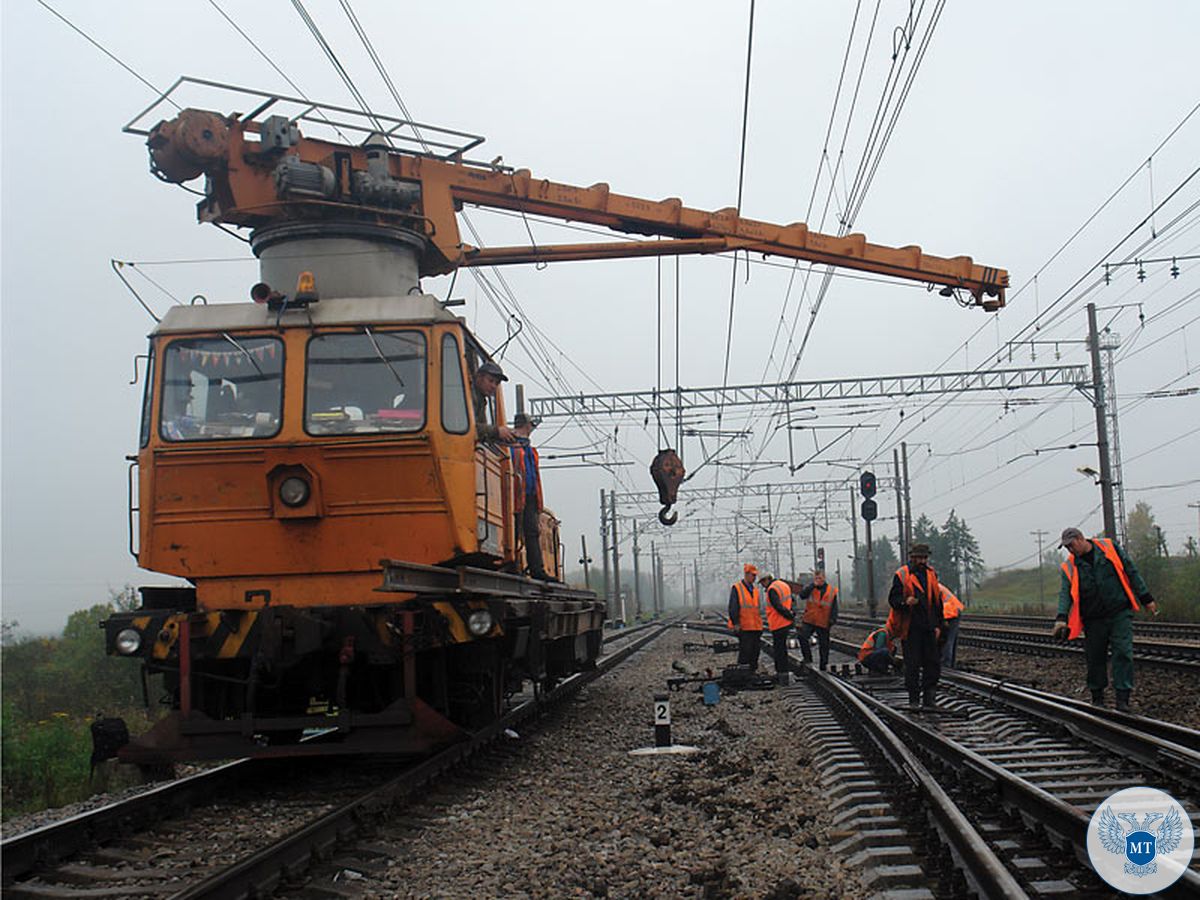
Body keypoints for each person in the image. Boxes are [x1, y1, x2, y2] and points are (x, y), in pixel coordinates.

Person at [1052, 527, 1158, 712]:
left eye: (1071, 545)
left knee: (1123, 653)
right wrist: (1061, 618)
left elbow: (1131, 571)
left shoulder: (1109, 548)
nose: (1070, 550)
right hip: (1093, 619)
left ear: (1080, 538)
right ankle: (1097, 698)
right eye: (1067, 547)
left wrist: (1146, 598)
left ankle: (1122, 699)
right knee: (1095, 657)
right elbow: (1065, 594)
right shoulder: (1069, 566)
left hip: (1119, 612)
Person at [888, 543, 944, 710]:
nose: (922, 560)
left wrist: (939, 624)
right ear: (912, 558)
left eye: (924, 557)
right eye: (919, 557)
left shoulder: (931, 574)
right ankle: (914, 699)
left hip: (928, 626)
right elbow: (893, 600)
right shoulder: (902, 575)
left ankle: (929, 698)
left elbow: (937, 601)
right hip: (910, 627)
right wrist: (905, 602)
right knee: (912, 664)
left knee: (932, 663)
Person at [509, 413, 549, 580]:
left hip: (529, 495)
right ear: (527, 425)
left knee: (531, 532)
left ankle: (536, 569)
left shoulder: (528, 450)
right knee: (515, 531)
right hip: (516, 495)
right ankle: (512, 565)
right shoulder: (512, 446)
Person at [797, 570, 838, 671]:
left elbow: (834, 607)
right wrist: (812, 585)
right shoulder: (811, 588)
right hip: (810, 619)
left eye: (819, 578)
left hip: (823, 621)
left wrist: (832, 619)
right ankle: (808, 658)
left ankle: (823, 665)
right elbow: (802, 595)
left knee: (824, 644)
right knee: (802, 636)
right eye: (816, 578)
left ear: (824, 578)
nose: (818, 580)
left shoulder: (831, 591)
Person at [726, 564, 764, 670]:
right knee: (745, 652)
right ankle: (743, 674)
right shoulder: (737, 588)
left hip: (756, 627)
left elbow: (757, 608)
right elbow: (733, 607)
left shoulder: (755, 590)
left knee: (755, 652)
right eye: (753, 575)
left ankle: (752, 672)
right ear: (746, 574)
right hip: (744, 627)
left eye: (755, 575)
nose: (754, 577)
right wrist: (736, 623)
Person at [760, 573, 795, 682]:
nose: (762, 585)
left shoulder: (772, 589)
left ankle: (781, 672)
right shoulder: (783, 585)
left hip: (778, 623)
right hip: (785, 622)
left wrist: (788, 614)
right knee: (782, 649)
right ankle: (783, 671)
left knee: (779, 650)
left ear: (767, 579)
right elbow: (792, 600)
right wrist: (791, 614)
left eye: (762, 582)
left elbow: (777, 606)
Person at [473, 360, 514, 443]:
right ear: (479, 377)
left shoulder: (481, 400)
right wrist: (496, 431)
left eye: (497, 383)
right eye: (491, 380)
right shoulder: (469, 396)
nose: (493, 386)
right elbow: (468, 428)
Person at [939, 584, 964, 668]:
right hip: (954, 610)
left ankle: (946, 664)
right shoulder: (937, 586)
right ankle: (951, 663)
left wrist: (944, 620)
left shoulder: (934, 587)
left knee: (947, 639)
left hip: (950, 612)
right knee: (952, 639)